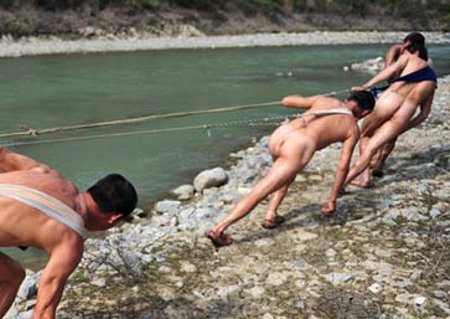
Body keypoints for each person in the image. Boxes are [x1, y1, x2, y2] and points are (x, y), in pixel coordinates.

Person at [205, 91, 375, 247]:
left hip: (281, 134)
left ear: (349, 99)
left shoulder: (326, 100)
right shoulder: (352, 128)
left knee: (285, 175)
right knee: (261, 190)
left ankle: (271, 214)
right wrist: (332, 198)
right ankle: (219, 229)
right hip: (299, 144)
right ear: (365, 113)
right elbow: (343, 166)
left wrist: (315, 100)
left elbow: (287, 101)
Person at [0, 147, 137, 319]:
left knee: (13, 275)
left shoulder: (47, 174)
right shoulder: (70, 241)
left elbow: (2, 154)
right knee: (11, 278)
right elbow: (43, 312)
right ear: (113, 218)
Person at [345, 43, 436, 188]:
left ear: (414, 51)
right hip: (405, 115)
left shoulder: (409, 58)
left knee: (366, 136)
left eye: (404, 49)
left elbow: (387, 71)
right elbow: (424, 114)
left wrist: (365, 86)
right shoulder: (432, 81)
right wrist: (405, 127)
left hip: (389, 101)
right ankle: (378, 165)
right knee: (378, 145)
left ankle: (362, 178)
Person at [360, 32, 426, 180]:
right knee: (393, 130)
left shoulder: (397, 50)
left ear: (407, 42)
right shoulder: (419, 55)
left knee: (377, 126)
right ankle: (379, 162)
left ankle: (374, 162)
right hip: (408, 93)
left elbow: (388, 70)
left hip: (395, 90)